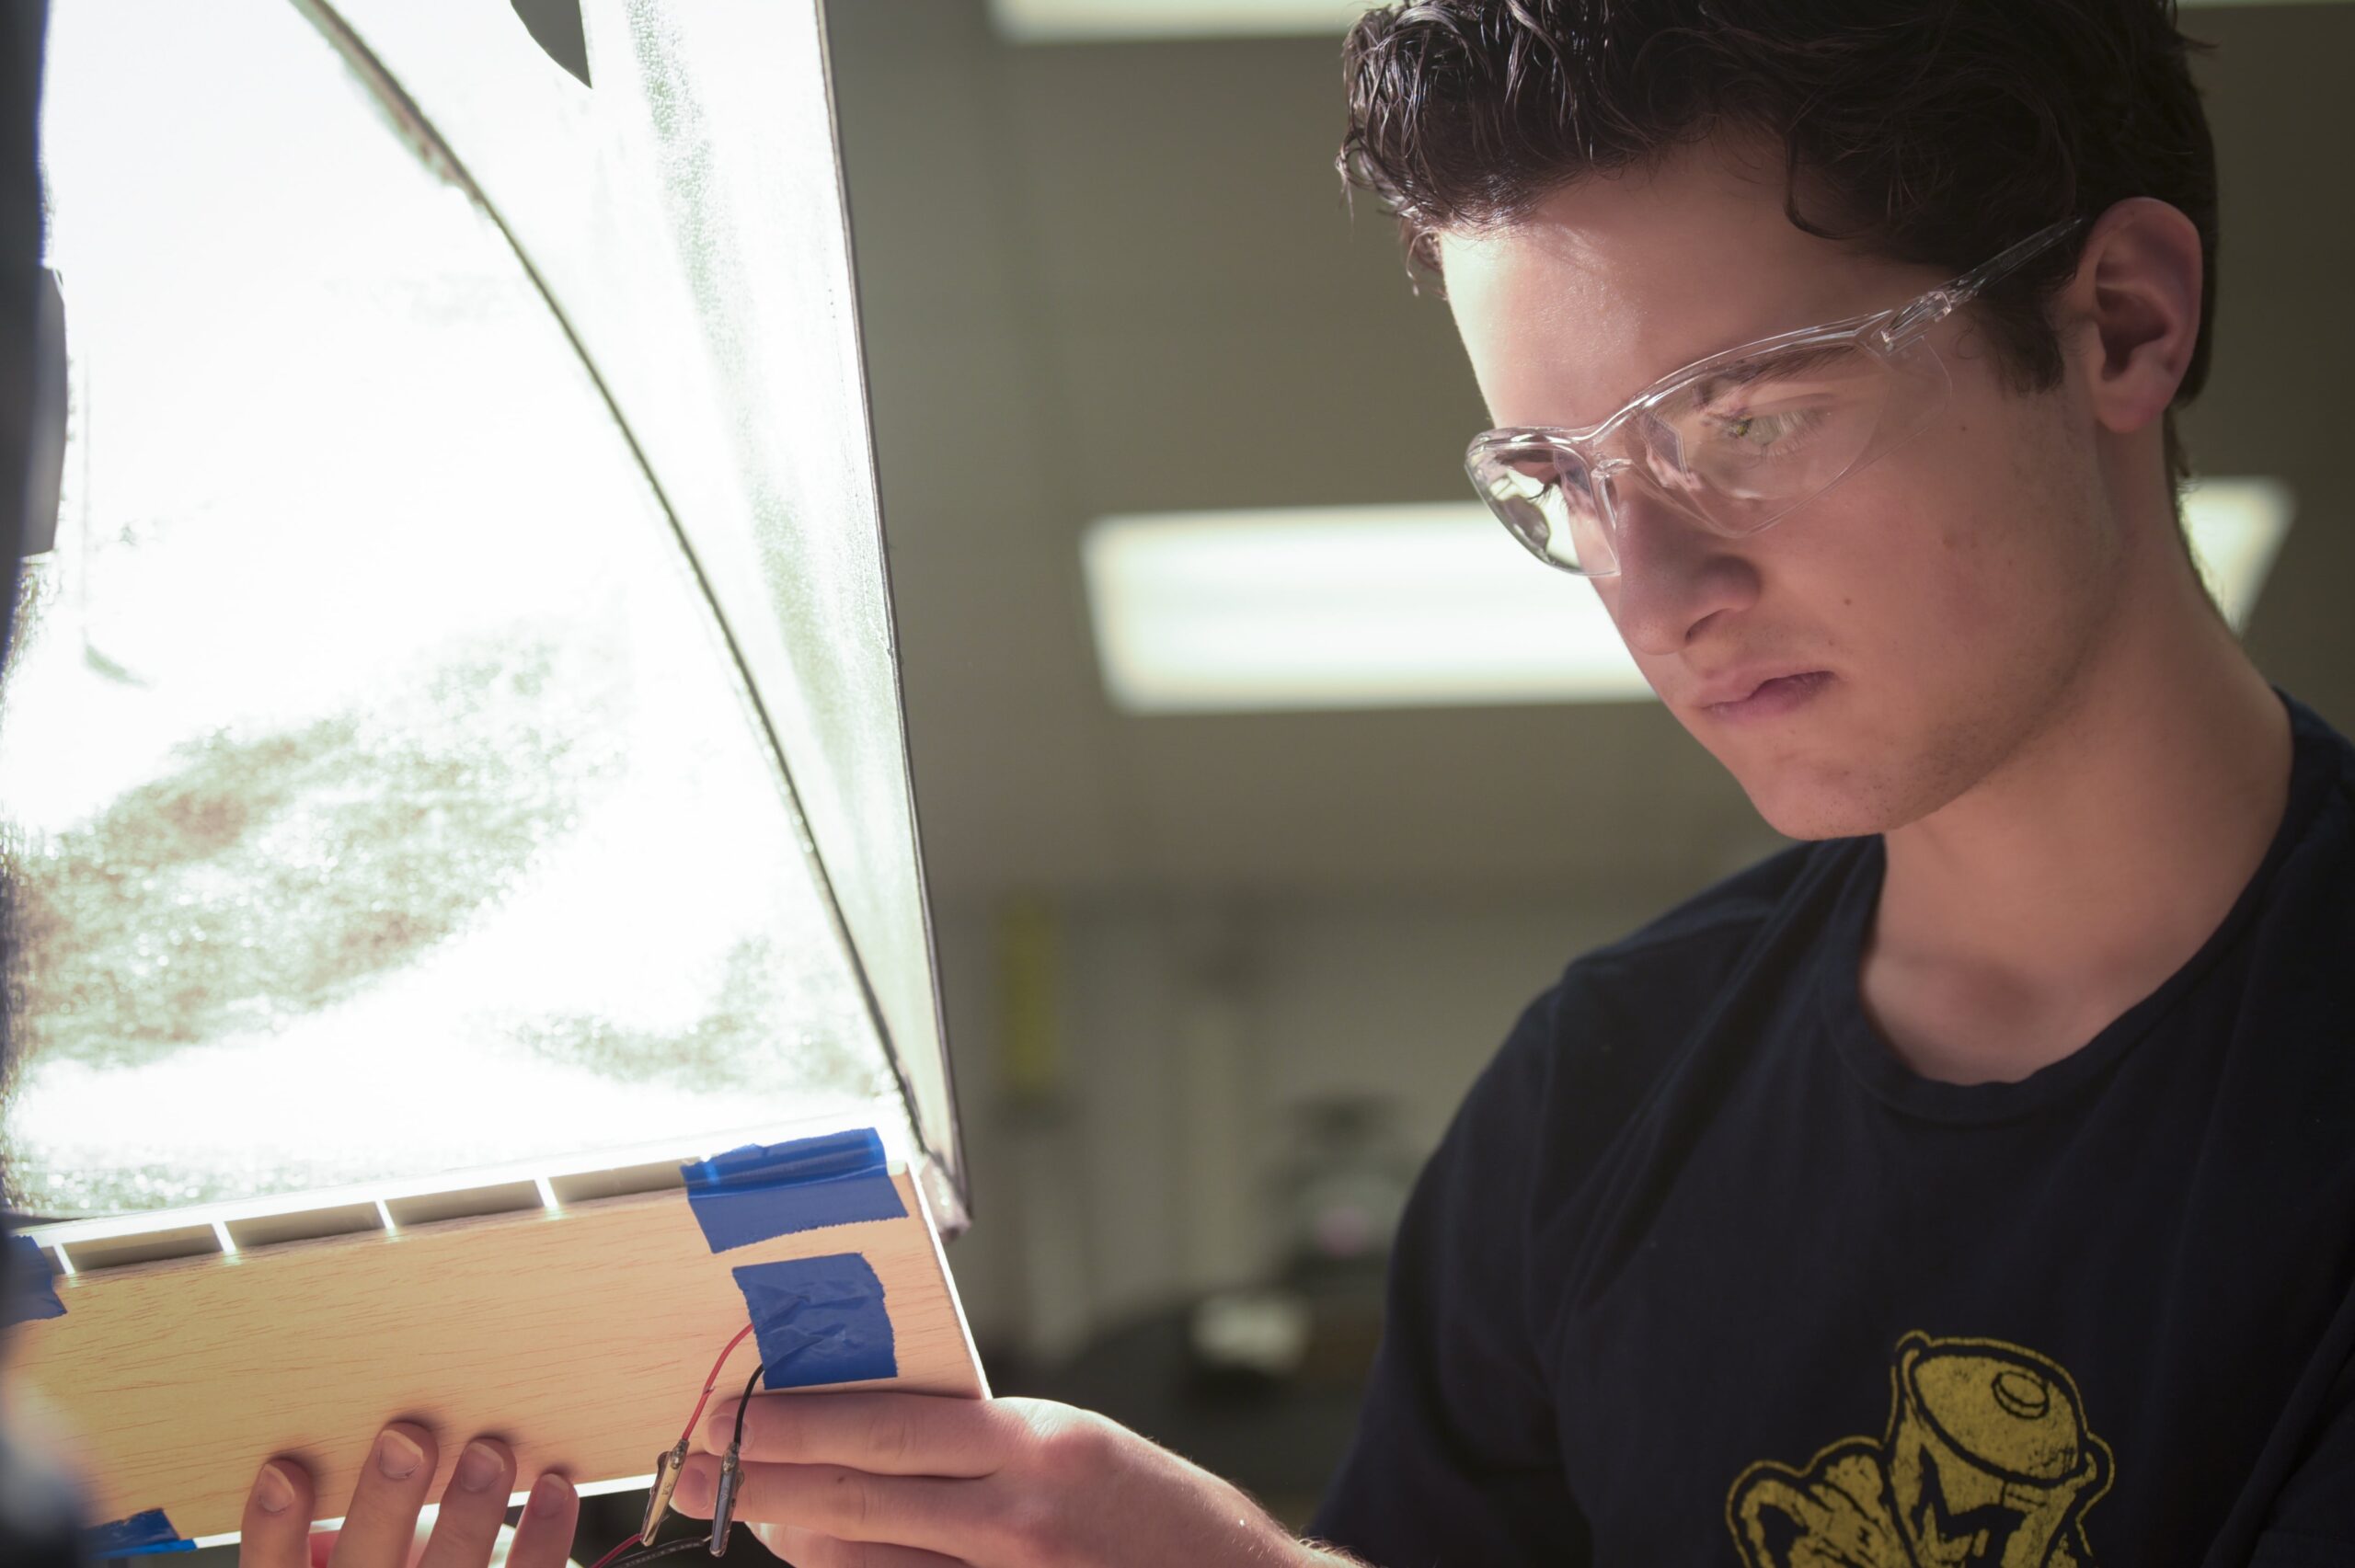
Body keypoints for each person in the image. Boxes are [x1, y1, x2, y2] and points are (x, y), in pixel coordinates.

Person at [231, 0, 2353, 1562]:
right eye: (1561, 479)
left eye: (1740, 424)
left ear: (2111, 325)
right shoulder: (1598, 1098)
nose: (1657, 587)